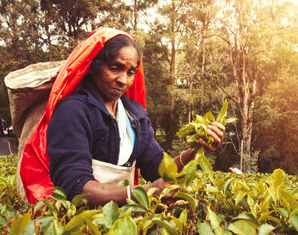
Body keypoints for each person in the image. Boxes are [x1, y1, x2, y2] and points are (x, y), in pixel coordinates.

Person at [21, 27, 225, 206]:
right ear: (93, 67)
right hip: (79, 221)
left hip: (122, 219)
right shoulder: (73, 111)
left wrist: (197, 147)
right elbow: (74, 185)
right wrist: (143, 193)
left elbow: (159, 169)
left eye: (131, 72)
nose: (123, 80)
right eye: (115, 68)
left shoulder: (134, 115)